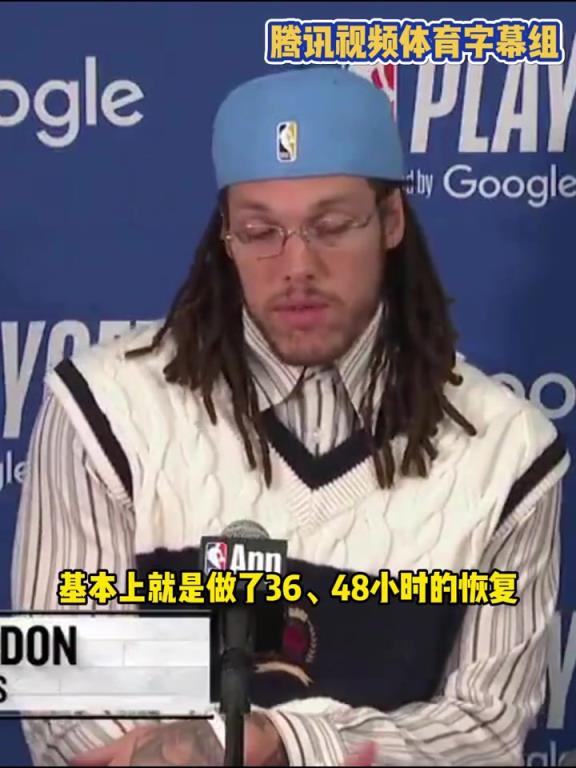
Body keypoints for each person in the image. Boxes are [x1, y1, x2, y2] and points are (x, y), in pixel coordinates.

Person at [11, 65, 570, 767]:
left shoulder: (509, 451)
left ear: (391, 221)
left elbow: (485, 728)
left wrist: (289, 745)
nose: (297, 265)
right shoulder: (106, 409)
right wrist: (201, 751)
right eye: (260, 231)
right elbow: (66, 687)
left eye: (331, 226)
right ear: (226, 236)